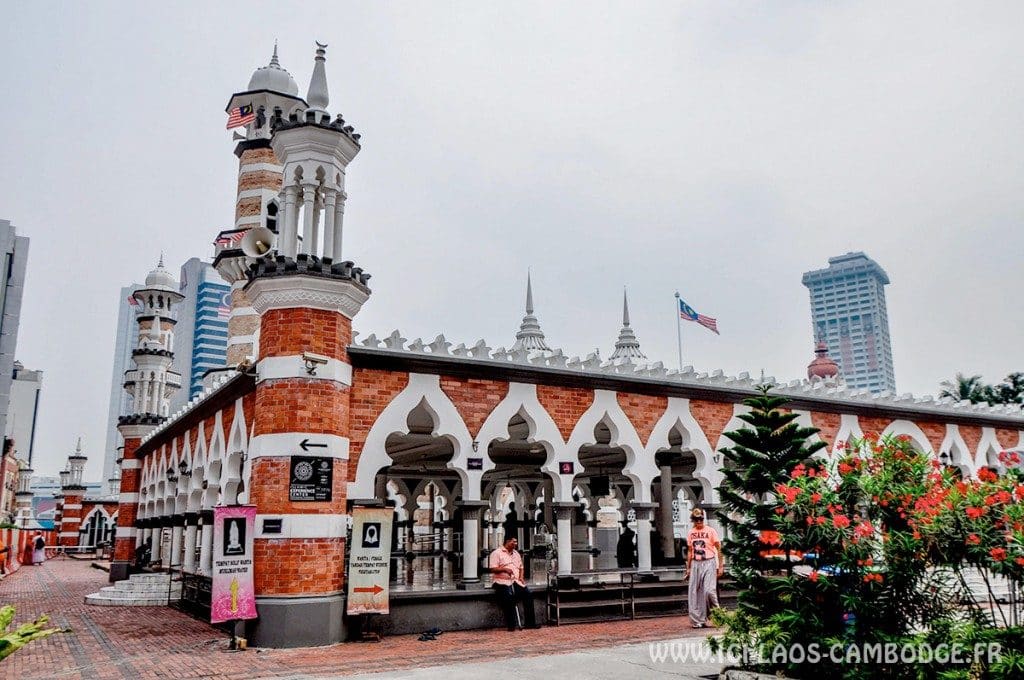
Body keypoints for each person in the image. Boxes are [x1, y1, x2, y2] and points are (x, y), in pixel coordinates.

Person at [488, 536, 537, 631]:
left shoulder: (516, 554)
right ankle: (511, 625)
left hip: (515, 581)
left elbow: (521, 567)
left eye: (516, 542)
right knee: (508, 598)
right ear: (507, 541)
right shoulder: (496, 553)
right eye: (513, 542)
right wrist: (504, 569)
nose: (516, 544)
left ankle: (530, 623)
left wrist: (521, 577)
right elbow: (493, 568)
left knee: (528, 595)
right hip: (501, 581)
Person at [685, 508, 723, 628]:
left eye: (701, 519)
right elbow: (690, 551)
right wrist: (688, 568)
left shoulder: (711, 531)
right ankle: (698, 619)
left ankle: (718, 615)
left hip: (709, 562)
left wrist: (720, 566)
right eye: (696, 519)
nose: (699, 521)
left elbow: (718, 548)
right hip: (696, 563)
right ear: (693, 520)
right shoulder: (691, 532)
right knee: (695, 592)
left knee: (709, 590)